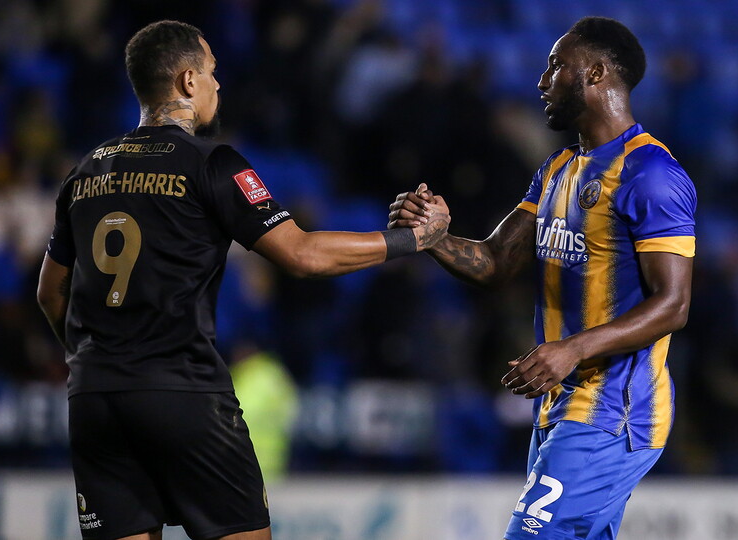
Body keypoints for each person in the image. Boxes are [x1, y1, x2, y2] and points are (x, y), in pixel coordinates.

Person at [36, 20, 449, 540]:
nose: (217, 85)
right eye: (210, 73)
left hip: (94, 397)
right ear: (187, 81)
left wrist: (92, 359)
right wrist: (413, 240)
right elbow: (301, 254)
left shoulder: (86, 171)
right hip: (182, 393)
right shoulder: (213, 163)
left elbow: (50, 292)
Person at [389, 16, 696, 540]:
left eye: (557, 65)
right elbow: (495, 262)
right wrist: (434, 236)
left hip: (614, 412)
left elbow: (673, 305)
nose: (542, 80)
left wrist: (571, 349)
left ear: (596, 73)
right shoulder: (557, 169)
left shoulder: (652, 175)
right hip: (560, 405)